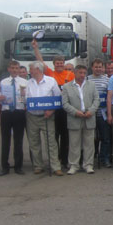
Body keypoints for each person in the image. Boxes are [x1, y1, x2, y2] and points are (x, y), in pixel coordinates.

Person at [31, 39, 74, 170]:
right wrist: (36, 48)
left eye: (61, 63)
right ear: (54, 64)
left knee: (65, 136)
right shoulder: (50, 74)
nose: (59, 65)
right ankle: (55, 160)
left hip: (65, 109)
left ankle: (64, 160)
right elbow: (40, 62)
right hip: (53, 109)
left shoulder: (70, 75)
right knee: (54, 136)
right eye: (57, 63)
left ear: (64, 64)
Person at [25, 61, 63, 176]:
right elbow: (25, 99)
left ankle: (55, 166)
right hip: (32, 116)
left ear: (38, 70)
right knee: (34, 142)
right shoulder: (28, 83)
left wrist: (51, 110)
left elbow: (58, 98)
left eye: (31, 69)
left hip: (47, 116)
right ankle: (38, 166)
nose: (30, 71)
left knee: (51, 142)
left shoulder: (51, 81)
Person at [62, 65, 99, 175]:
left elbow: (96, 100)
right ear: (75, 73)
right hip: (74, 118)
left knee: (89, 144)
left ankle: (88, 165)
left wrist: (91, 111)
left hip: (89, 117)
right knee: (74, 144)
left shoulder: (91, 85)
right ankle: (74, 165)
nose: (82, 75)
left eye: (84, 73)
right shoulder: (67, 86)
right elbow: (65, 103)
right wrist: (75, 112)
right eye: (80, 72)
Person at [0, 60, 28, 176]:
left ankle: (18, 166)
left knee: (18, 140)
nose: (15, 70)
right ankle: (5, 167)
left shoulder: (24, 82)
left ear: (19, 69)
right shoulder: (3, 82)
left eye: (16, 68)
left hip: (19, 112)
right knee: (5, 141)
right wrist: (0, 98)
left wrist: (24, 96)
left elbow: (27, 99)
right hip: (6, 112)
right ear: (9, 69)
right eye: (12, 68)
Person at [87, 59, 111, 167]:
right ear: (92, 67)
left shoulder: (107, 80)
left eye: (100, 67)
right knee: (90, 138)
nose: (98, 69)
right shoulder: (87, 79)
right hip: (90, 114)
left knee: (105, 138)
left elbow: (110, 96)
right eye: (96, 67)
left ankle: (104, 158)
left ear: (103, 68)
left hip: (103, 114)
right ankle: (91, 159)